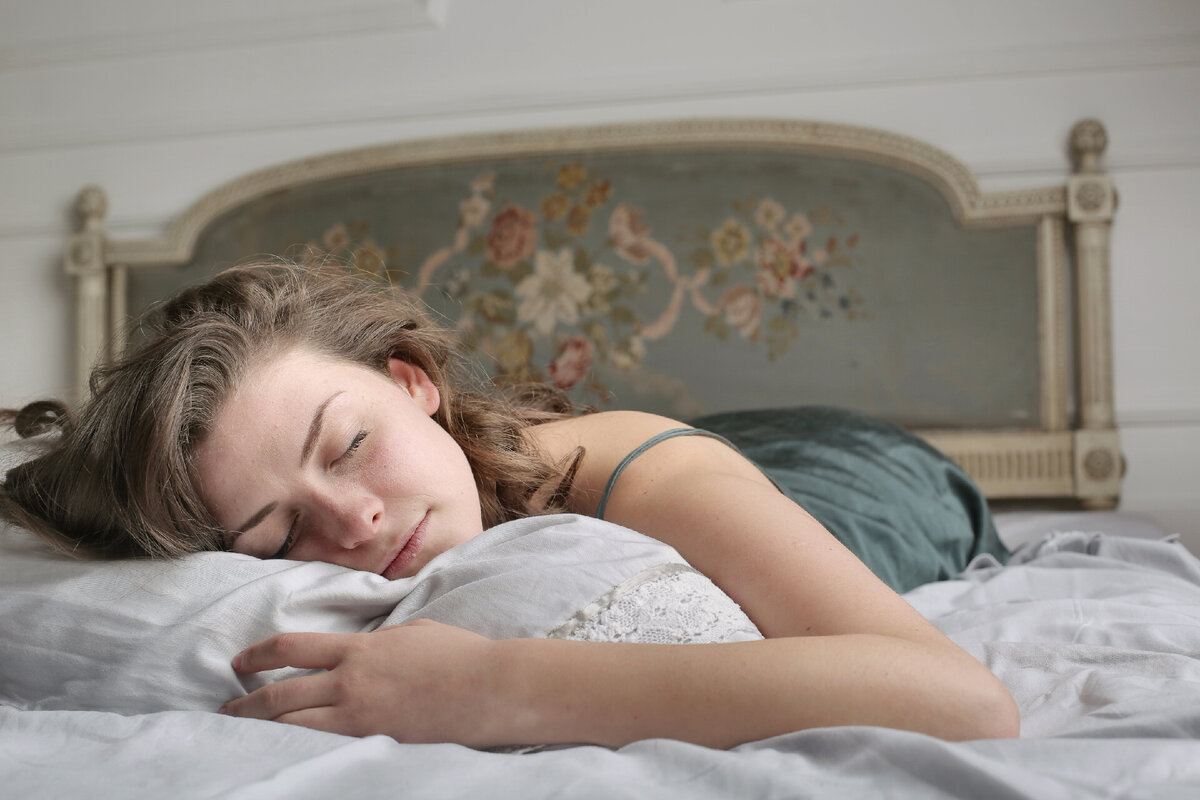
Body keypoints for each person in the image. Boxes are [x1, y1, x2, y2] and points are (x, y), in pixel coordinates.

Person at [1, 260, 1019, 749]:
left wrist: (503, 683)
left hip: (855, 472)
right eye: (278, 531)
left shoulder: (639, 471)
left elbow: (965, 702)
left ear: (411, 382)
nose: (349, 522)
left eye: (351, 445)